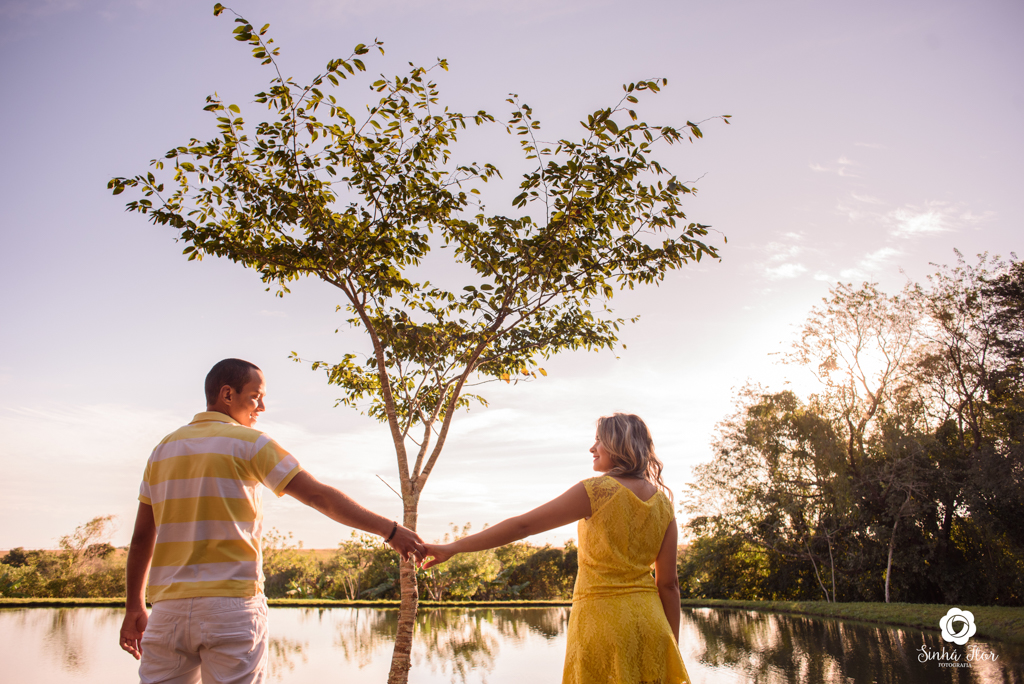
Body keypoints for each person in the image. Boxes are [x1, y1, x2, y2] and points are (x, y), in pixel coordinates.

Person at [118, 358, 425, 684]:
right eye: (255, 396)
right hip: (231, 608)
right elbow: (317, 496)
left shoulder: (162, 450)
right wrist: (389, 530)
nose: (261, 406)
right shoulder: (249, 442)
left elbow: (141, 537)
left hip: (169, 614)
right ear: (227, 394)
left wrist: (134, 606)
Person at [422, 413, 689, 684]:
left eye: (599, 441)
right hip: (653, 626)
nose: (592, 448)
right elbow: (669, 585)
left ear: (619, 445)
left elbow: (522, 526)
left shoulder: (597, 491)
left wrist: (453, 547)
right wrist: (671, 647)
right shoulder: (663, 505)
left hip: (603, 626)